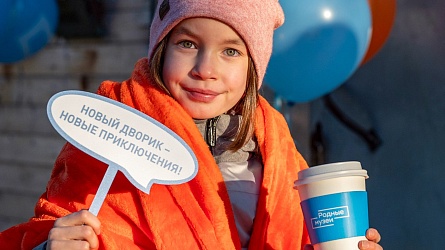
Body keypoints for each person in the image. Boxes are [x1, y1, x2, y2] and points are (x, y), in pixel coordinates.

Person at [0, 0, 383, 249]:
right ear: (161, 49)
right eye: (187, 44)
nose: (205, 70)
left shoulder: (276, 145)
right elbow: (53, 224)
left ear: (253, 69)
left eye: (231, 51)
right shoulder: (114, 128)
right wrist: (48, 248)